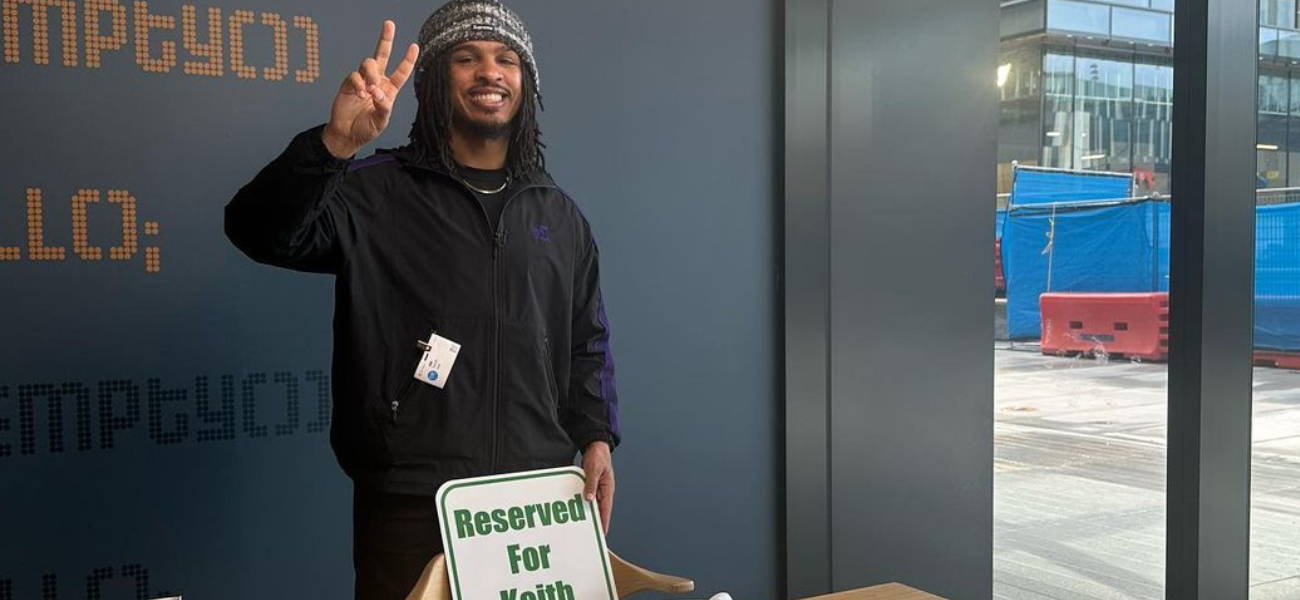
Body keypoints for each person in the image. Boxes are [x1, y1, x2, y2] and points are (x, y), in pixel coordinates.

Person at [223, 2, 619, 598]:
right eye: (467, 58)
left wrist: (596, 436)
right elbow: (257, 232)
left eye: (506, 59)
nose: (490, 72)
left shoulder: (559, 214)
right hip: (412, 499)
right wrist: (334, 145)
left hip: (536, 500)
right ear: (434, 79)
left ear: (526, 83)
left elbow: (586, 342)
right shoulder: (375, 190)